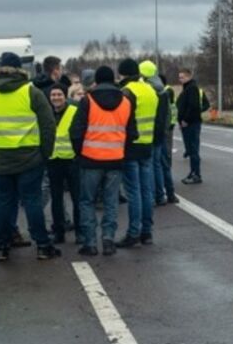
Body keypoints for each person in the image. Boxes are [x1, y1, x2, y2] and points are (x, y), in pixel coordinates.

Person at [0, 51, 58, 262]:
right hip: (30, 158)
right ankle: (42, 245)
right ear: (20, 69)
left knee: (0, 203)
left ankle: (0, 247)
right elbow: (48, 125)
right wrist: (45, 153)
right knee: (32, 202)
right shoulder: (32, 92)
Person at [70, 65, 137, 256]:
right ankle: (108, 240)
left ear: (96, 81)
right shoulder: (126, 101)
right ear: (114, 79)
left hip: (90, 160)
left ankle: (90, 243)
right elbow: (132, 133)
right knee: (111, 202)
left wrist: (80, 153)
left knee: (86, 201)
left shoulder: (87, 101)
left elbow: (75, 131)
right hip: (115, 160)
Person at [118, 57, 157, 247]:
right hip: (147, 144)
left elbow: (122, 120)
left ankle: (133, 233)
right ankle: (147, 232)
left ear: (123, 74)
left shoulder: (127, 92)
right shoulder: (150, 90)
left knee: (133, 192)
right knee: (146, 190)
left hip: (131, 146)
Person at [46, 84, 81, 243]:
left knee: (77, 198)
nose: (56, 98)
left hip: (72, 160)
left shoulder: (75, 110)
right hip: (54, 160)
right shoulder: (46, 113)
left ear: (65, 96)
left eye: (59, 94)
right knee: (56, 199)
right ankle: (59, 232)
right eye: (53, 95)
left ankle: (80, 233)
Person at [144, 62, 177, 206]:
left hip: (151, 133)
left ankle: (155, 197)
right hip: (163, 132)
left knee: (150, 166)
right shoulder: (163, 89)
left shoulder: (148, 90)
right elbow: (168, 113)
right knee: (162, 165)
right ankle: (168, 194)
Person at [176, 69, 203, 183]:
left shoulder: (192, 88)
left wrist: (185, 120)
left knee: (193, 150)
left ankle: (196, 174)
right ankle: (193, 172)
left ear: (189, 77)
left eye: (182, 77)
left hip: (191, 124)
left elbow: (193, 106)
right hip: (188, 123)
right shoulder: (188, 88)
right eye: (180, 77)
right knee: (191, 150)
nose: (180, 79)